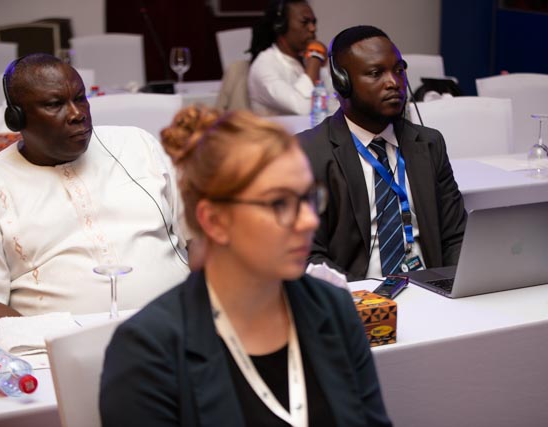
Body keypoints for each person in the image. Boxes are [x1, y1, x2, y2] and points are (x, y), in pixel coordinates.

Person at [99, 106, 393, 427]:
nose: (309, 221)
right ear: (215, 221)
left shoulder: (333, 309)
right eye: (280, 203)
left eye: (308, 198)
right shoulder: (148, 352)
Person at [0, 54, 190, 332]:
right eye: (54, 104)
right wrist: (51, 346)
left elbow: (200, 236)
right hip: (58, 348)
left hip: (178, 329)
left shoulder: (138, 145)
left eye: (80, 98)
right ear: (17, 118)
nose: (77, 114)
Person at [298, 25, 467, 281]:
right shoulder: (309, 153)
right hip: (356, 294)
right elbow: (307, 253)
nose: (393, 83)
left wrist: (454, 287)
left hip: (431, 290)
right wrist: (360, 298)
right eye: (376, 73)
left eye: (399, 70)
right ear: (343, 83)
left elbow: (456, 236)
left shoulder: (429, 143)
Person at [247, 0, 333, 116]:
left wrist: (320, 65)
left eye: (313, 22)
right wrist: (315, 56)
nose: (313, 28)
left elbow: (334, 103)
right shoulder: (264, 65)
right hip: (277, 129)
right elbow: (303, 108)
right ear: (281, 27)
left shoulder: (306, 59)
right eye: (305, 22)